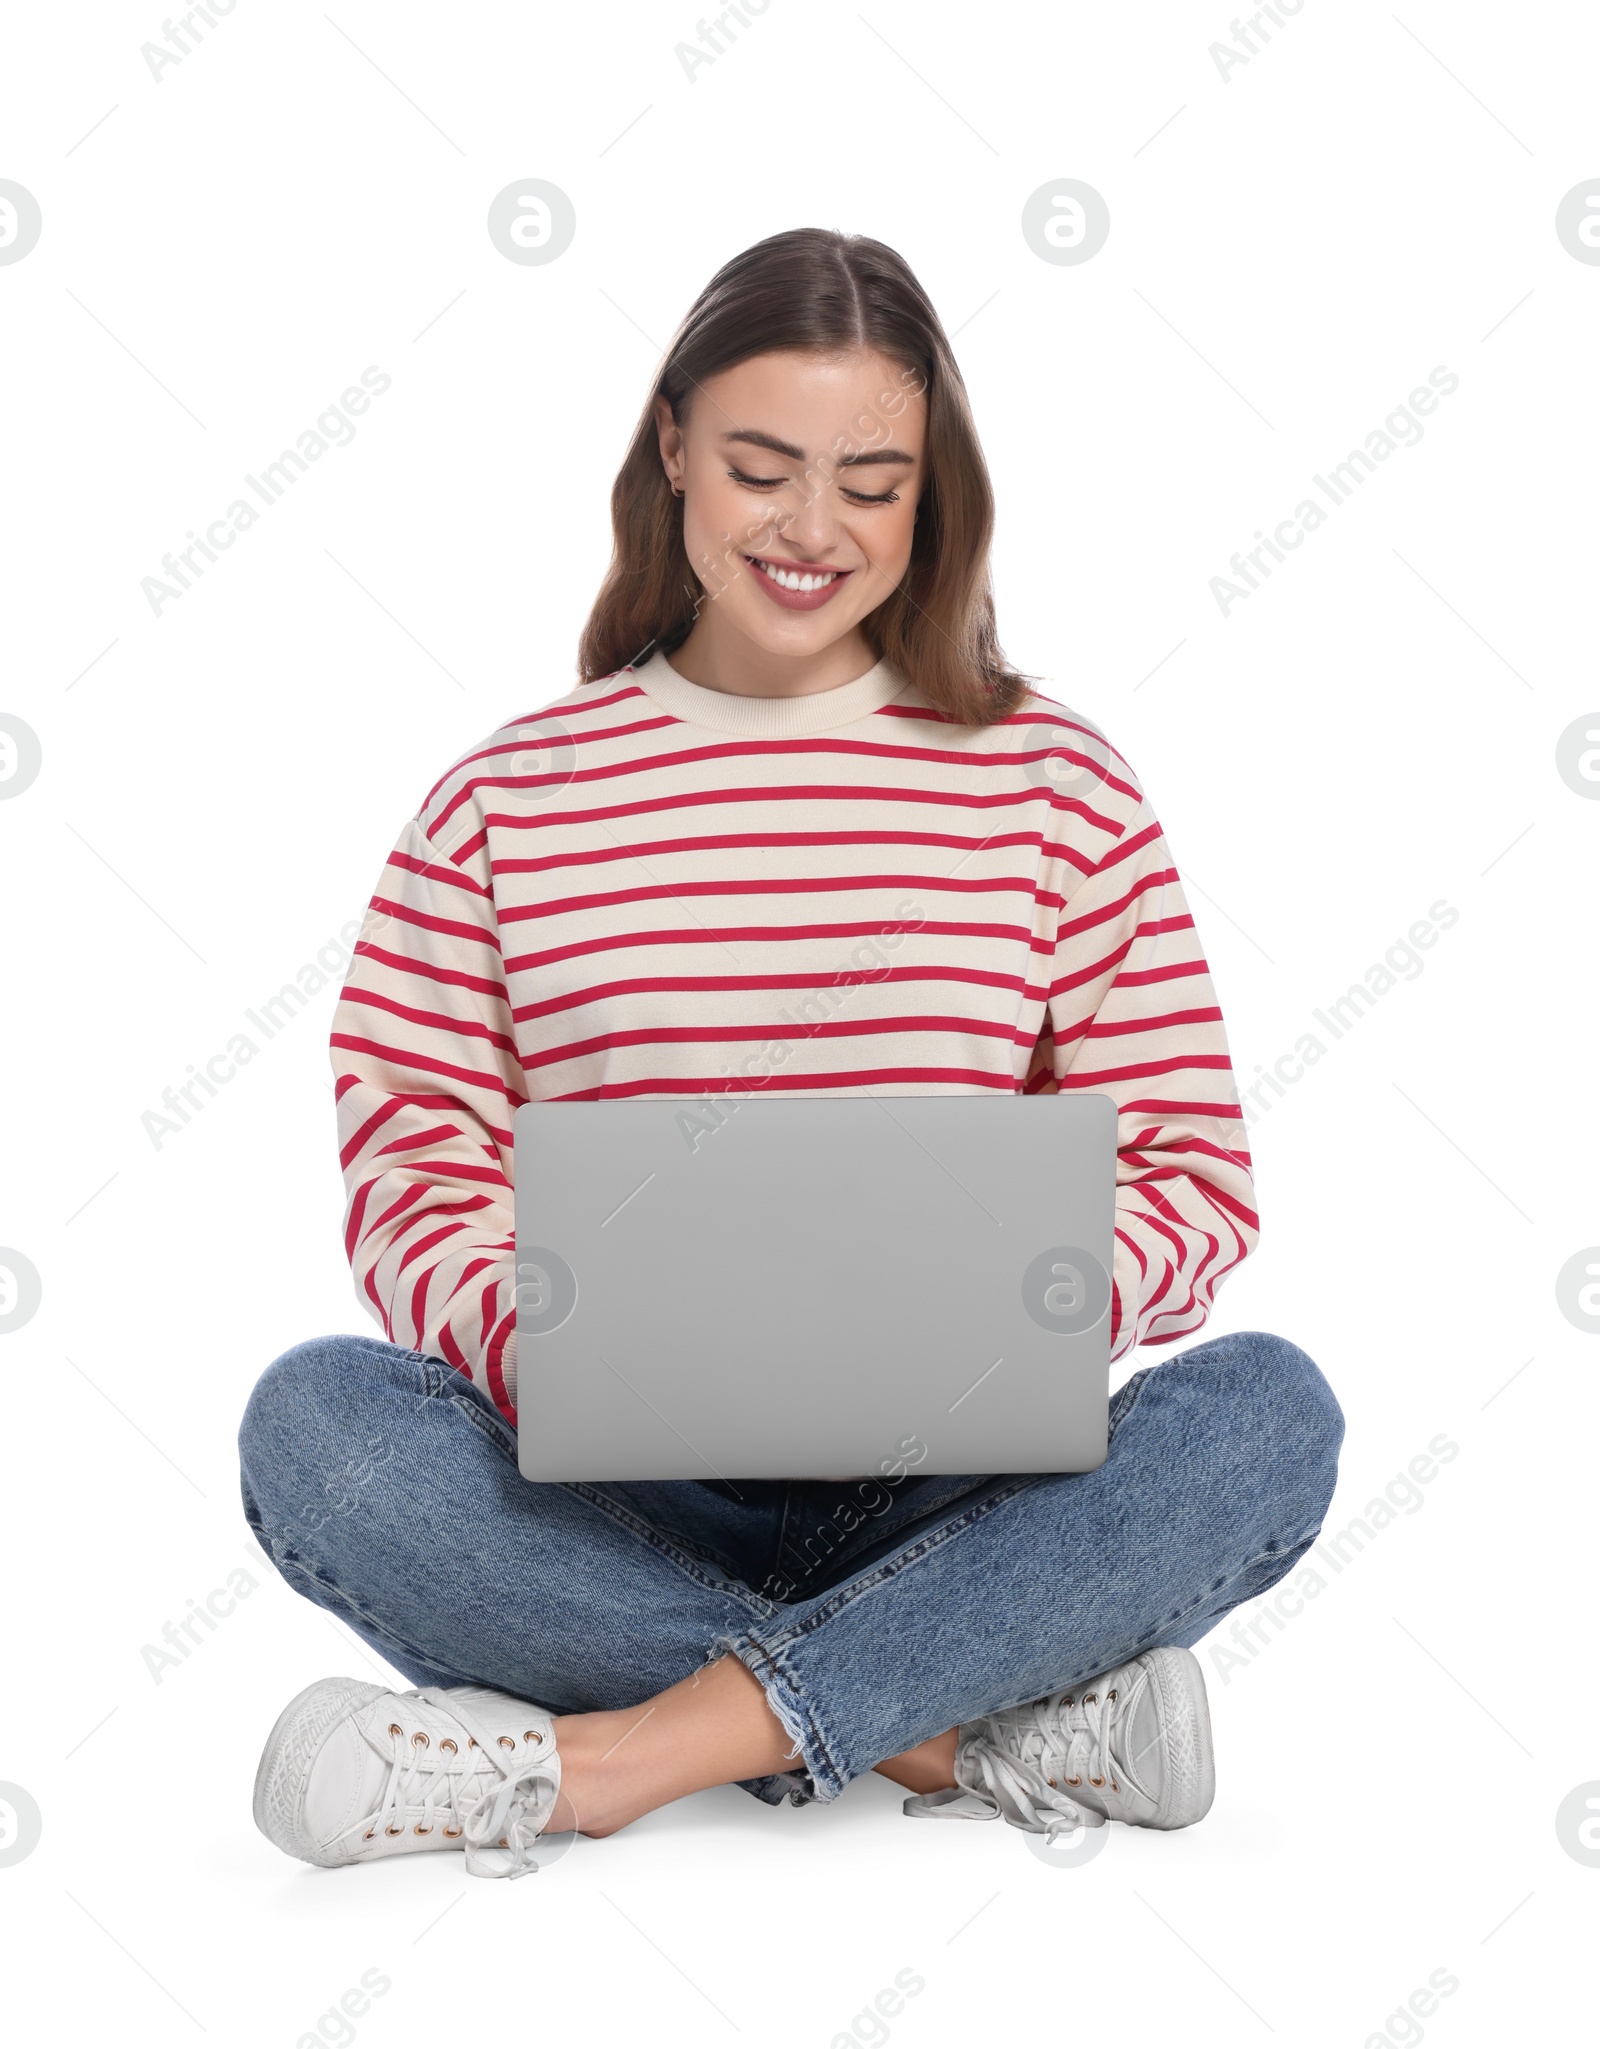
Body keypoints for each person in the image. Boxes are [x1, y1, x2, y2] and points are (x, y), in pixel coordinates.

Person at [239, 227, 1343, 1879]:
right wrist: (533, 1338)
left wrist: (1024, 1308)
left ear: (933, 495)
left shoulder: (1058, 786)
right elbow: (416, 1163)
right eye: (762, 468)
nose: (814, 531)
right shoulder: (507, 799)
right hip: (622, 1482)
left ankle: (601, 1760)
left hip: (960, 1478)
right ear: (671, 444)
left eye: (873, 483)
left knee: (1268, 1417)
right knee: (318, 1431)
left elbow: (1190, 1170)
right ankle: (958, 1730)